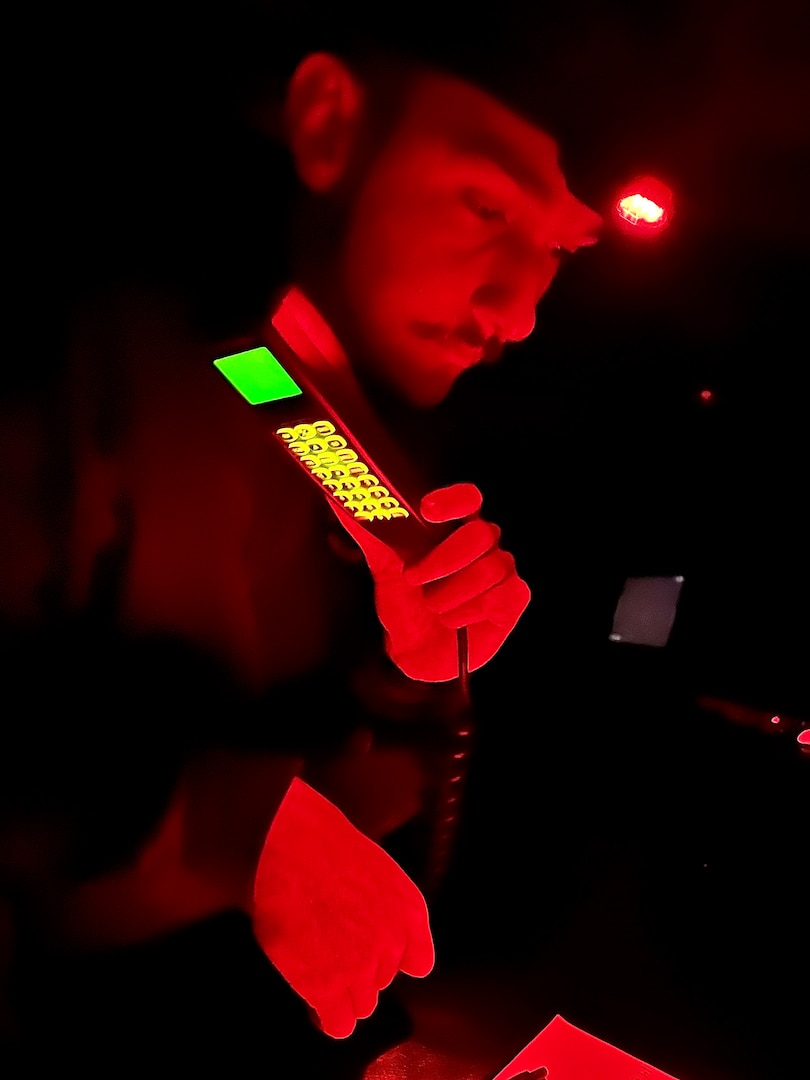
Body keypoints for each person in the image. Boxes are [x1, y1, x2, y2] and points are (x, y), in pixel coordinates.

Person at [1, 2, 601, 1068]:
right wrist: (230, 821)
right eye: (484, 205)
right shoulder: (80, 345)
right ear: (328, 122)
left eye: (557, 248)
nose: (522, 311)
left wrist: (413, 667)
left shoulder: (292, 393)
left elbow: (341, 755)